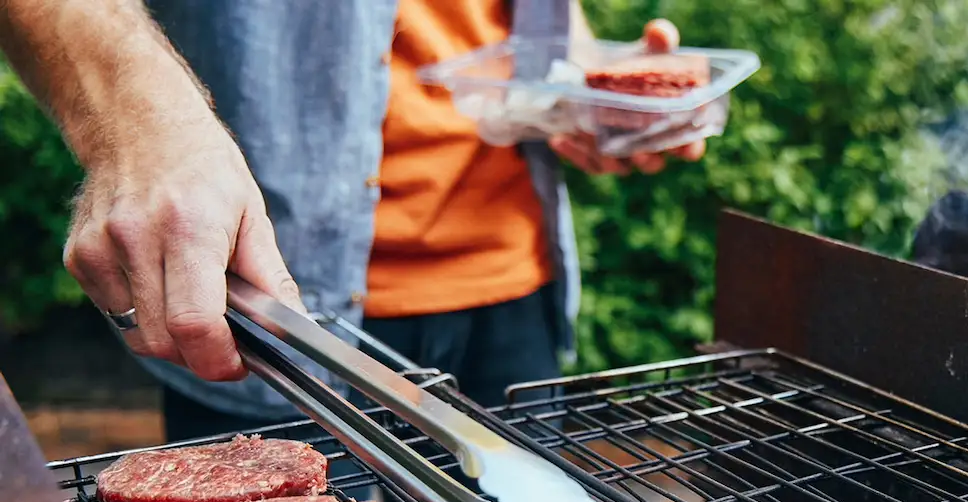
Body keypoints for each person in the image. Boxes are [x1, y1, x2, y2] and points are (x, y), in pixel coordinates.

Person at [0, 0, 703, 442]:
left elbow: (534, 34)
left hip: (513, 285)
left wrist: (598, 97)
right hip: (270, 305)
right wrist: (139, 123)